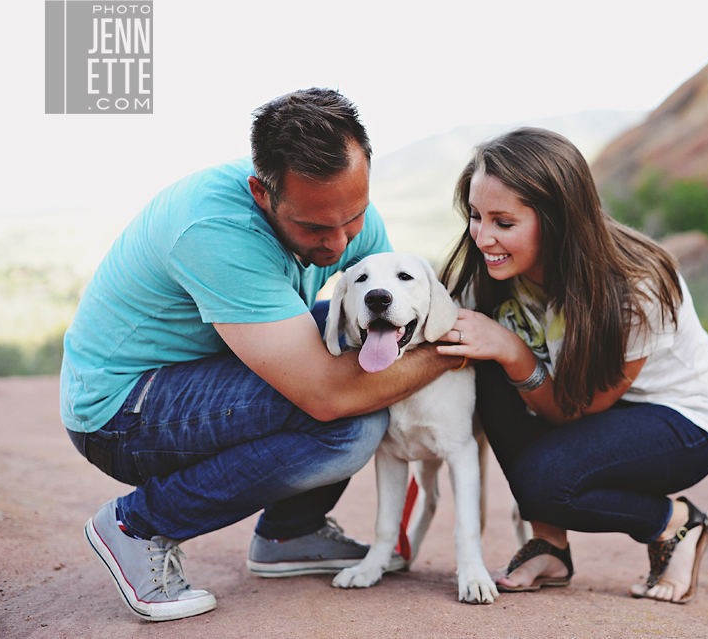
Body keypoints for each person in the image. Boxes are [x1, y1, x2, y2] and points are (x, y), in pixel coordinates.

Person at [61, 88, 462, 622]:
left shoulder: (336, 208)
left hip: (207, 375)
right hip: (121, 412)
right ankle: (138, 525)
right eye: (315, 228)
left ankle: (289, 534)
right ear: (262, 193)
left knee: (353, 335)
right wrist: (450, 352)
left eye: (355, 217)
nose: (340, 243)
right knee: (348, 424)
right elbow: (326, 394)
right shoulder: (216, 230)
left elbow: (399, 303)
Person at [435, 128, 708, 604]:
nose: (483, 237)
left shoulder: (638, 287)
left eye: (503, 223)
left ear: (557, 219)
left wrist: (513, 350)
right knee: (486, 360)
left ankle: (675, 523)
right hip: (588, 413)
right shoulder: (494, 272)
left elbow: (574, 411)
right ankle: (549, 545)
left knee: (545, 481)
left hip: (683, 421)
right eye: (475, 216)